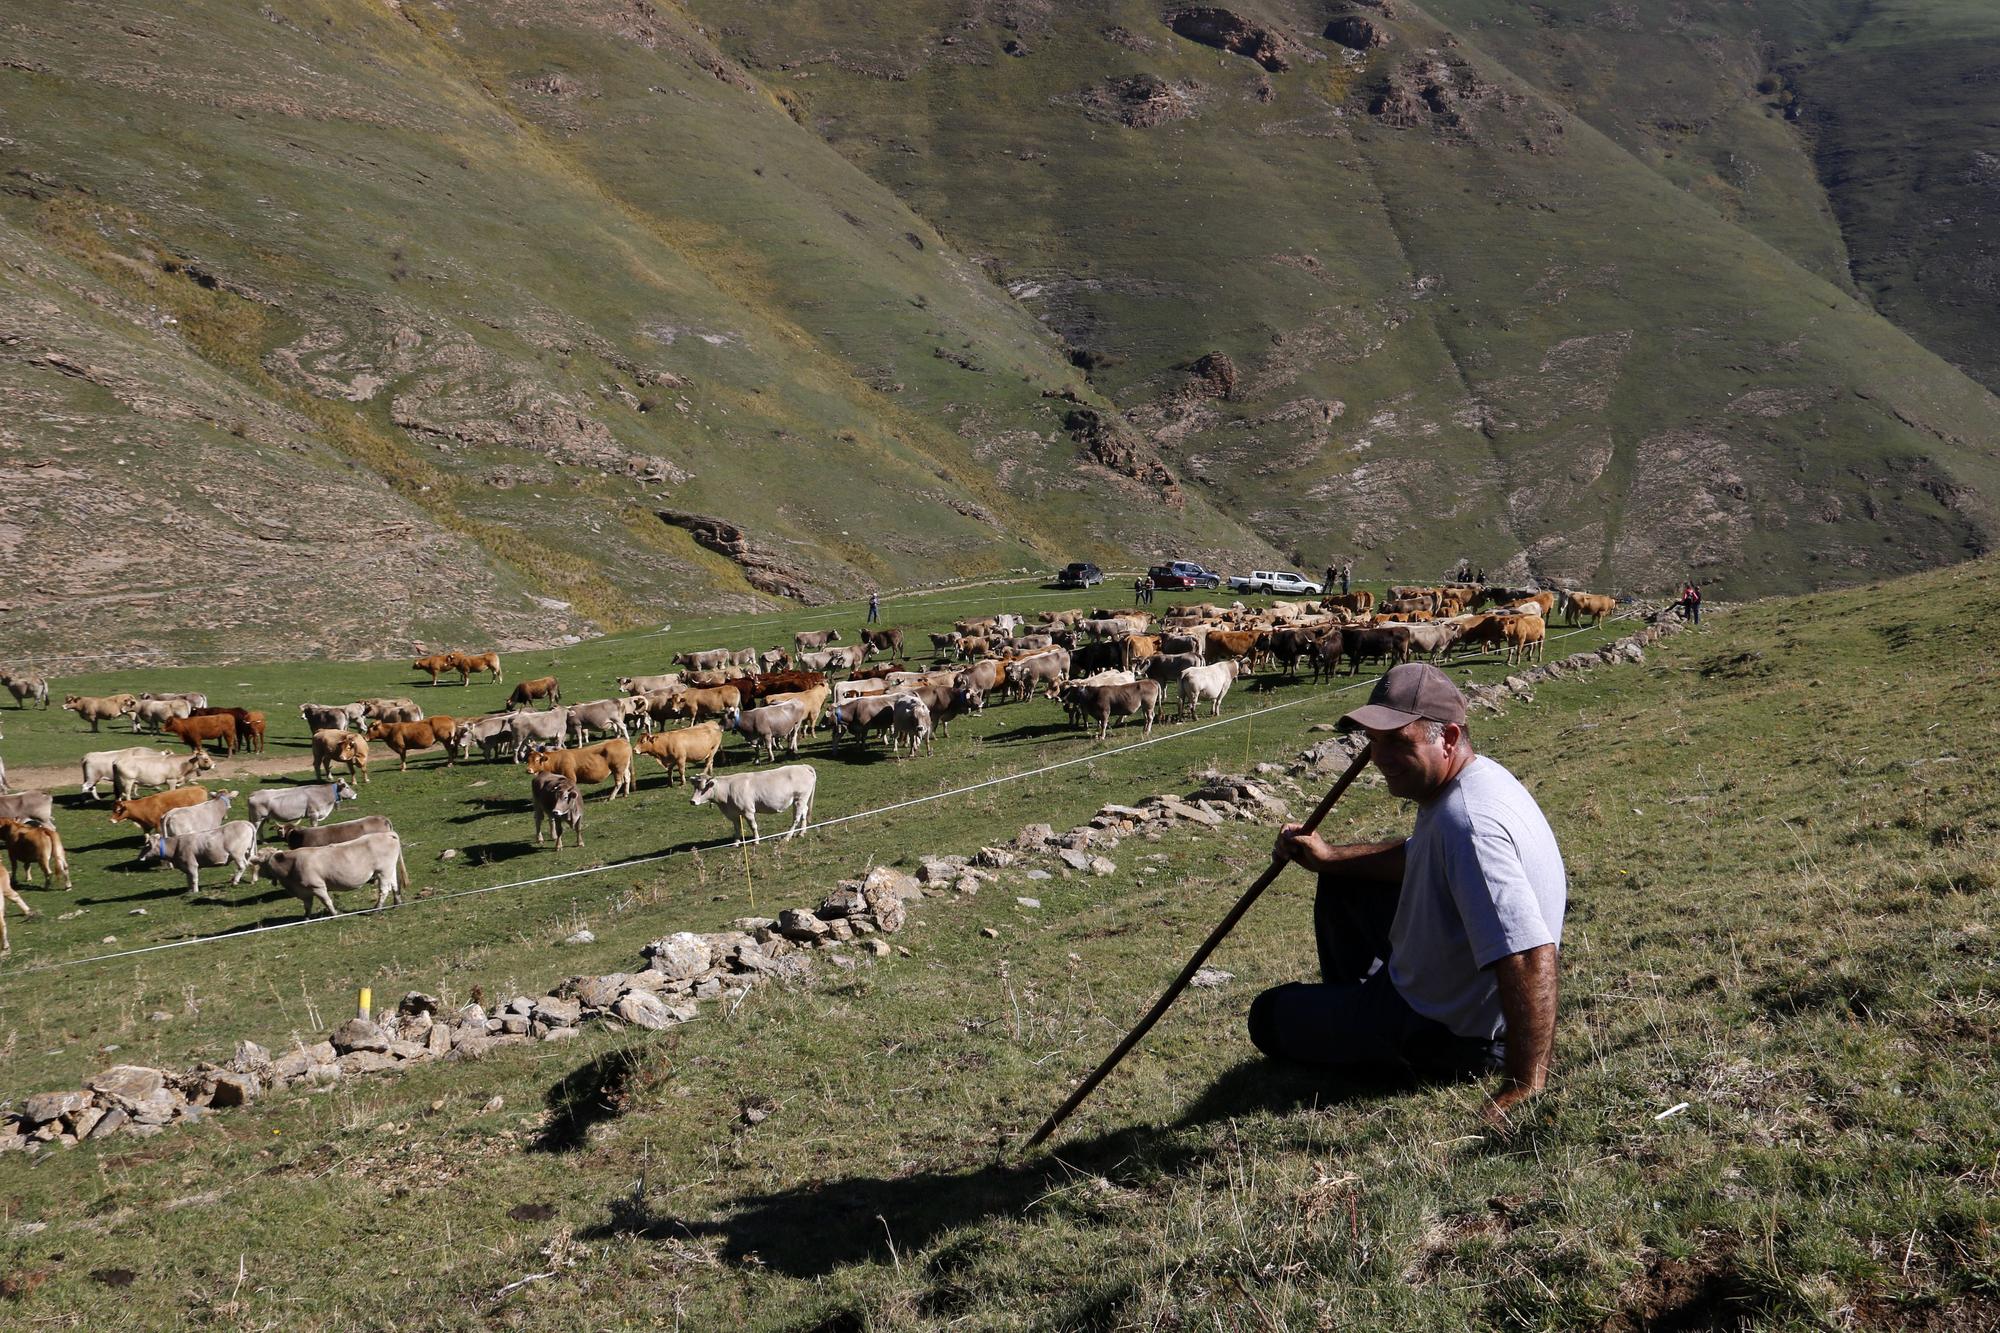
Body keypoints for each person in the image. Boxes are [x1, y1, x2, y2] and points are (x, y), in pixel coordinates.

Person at [1248, 663, 1566, 1126]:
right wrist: (1329, 857)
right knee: (1343, 881)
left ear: (1449, 738)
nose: (1380, 757)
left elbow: (1529, 953)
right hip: (1440, 986)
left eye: (1400, 741)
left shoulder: (1469, 826)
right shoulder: (1478, 780)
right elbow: (1418, 856)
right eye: (1375, 741)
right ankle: (1356, 1015)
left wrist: (1524, 1082)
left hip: (1450, 1030)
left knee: (1268, 1015)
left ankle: (1373, 1037)